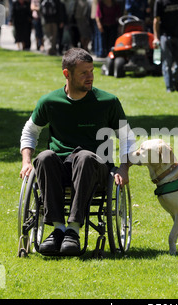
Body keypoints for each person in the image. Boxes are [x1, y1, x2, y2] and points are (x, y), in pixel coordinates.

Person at [19, 48, 136, 256]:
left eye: (91, 71)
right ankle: (58, 229)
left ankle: (73, 230)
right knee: (44, 157)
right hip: (60, 170)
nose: (90, 77)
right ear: (67, 74)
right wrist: (26, 162)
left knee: (84, 156)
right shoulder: (50, 102)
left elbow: (127, 137)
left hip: (96, 169)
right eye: (83, 73)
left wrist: (124, 168)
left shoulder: (107, 102)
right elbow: (30, 132)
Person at [153, 0, 178, 92]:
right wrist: (156, 37)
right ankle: (169, 87)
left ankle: (175, 81)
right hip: (165, 36)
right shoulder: (159, 2)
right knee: (167, 63)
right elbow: (156, 20)